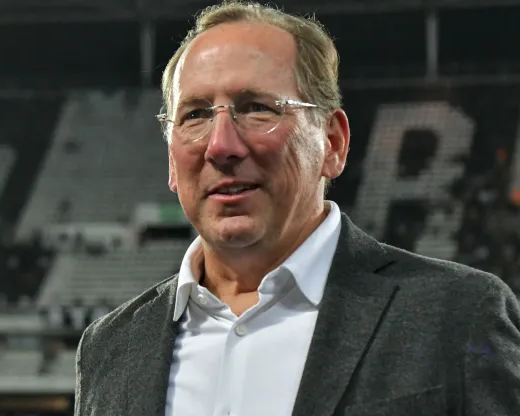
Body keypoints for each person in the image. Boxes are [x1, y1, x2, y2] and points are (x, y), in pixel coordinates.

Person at [74, 2, 520, 415]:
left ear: (332, 142)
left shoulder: (459, 316)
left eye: (257, 109)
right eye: (195, 115)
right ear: (172, 160)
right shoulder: (109, 348)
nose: (221, 145)